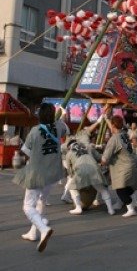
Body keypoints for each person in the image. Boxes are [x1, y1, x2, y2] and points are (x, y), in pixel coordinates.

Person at [13, 102, 68, 252]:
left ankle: (43, 228)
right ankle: (33, 232)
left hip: (37, 173)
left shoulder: (35, 131)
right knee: (41, 200)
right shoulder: (58, 126)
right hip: (52, 174)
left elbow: (25, 151)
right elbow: (65, 129)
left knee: (28, 206)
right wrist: (62, 115)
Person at [100, 115, 137, 218]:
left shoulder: (114, 139)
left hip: (123, 168)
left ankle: (130, 208)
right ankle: (131, 202)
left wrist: (101, 162)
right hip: (132, 164)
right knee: (127, 188)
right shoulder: (124, 134)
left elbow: (105, 158)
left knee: (120, 189)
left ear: (112, 125)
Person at [64, 136, 115, 215]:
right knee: (102, 189)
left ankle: (78, 208)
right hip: (95, 168)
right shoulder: (89, 147)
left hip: (80, 170)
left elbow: (70, 172)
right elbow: (101, 159)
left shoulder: (69, 153)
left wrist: (73, 177)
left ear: (69, 147)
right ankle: (110, 209)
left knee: (72, 188)